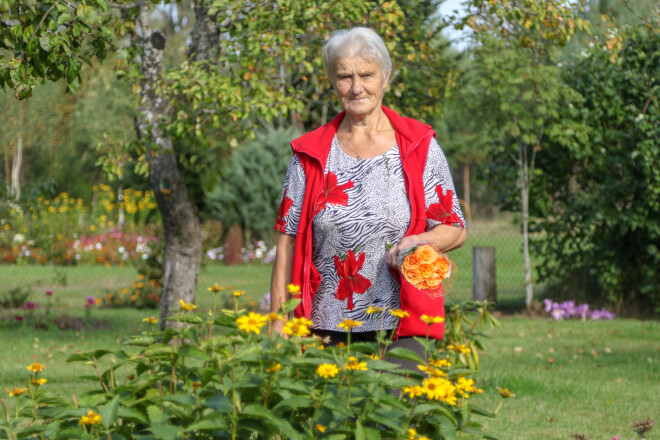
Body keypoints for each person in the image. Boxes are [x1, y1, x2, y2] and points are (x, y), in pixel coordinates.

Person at [270, 27, 465, 361]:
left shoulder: (419, 146)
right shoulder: (309, 155)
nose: (356, 87)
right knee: (330, 413)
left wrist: (416, 242)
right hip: (325, 326)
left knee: (389, 410)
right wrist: (276, 322)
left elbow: (455, 227)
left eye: (367, 74)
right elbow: (287, 242)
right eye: (345, 76)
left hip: (402, 323)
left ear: (385, 77)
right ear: (333, 82)